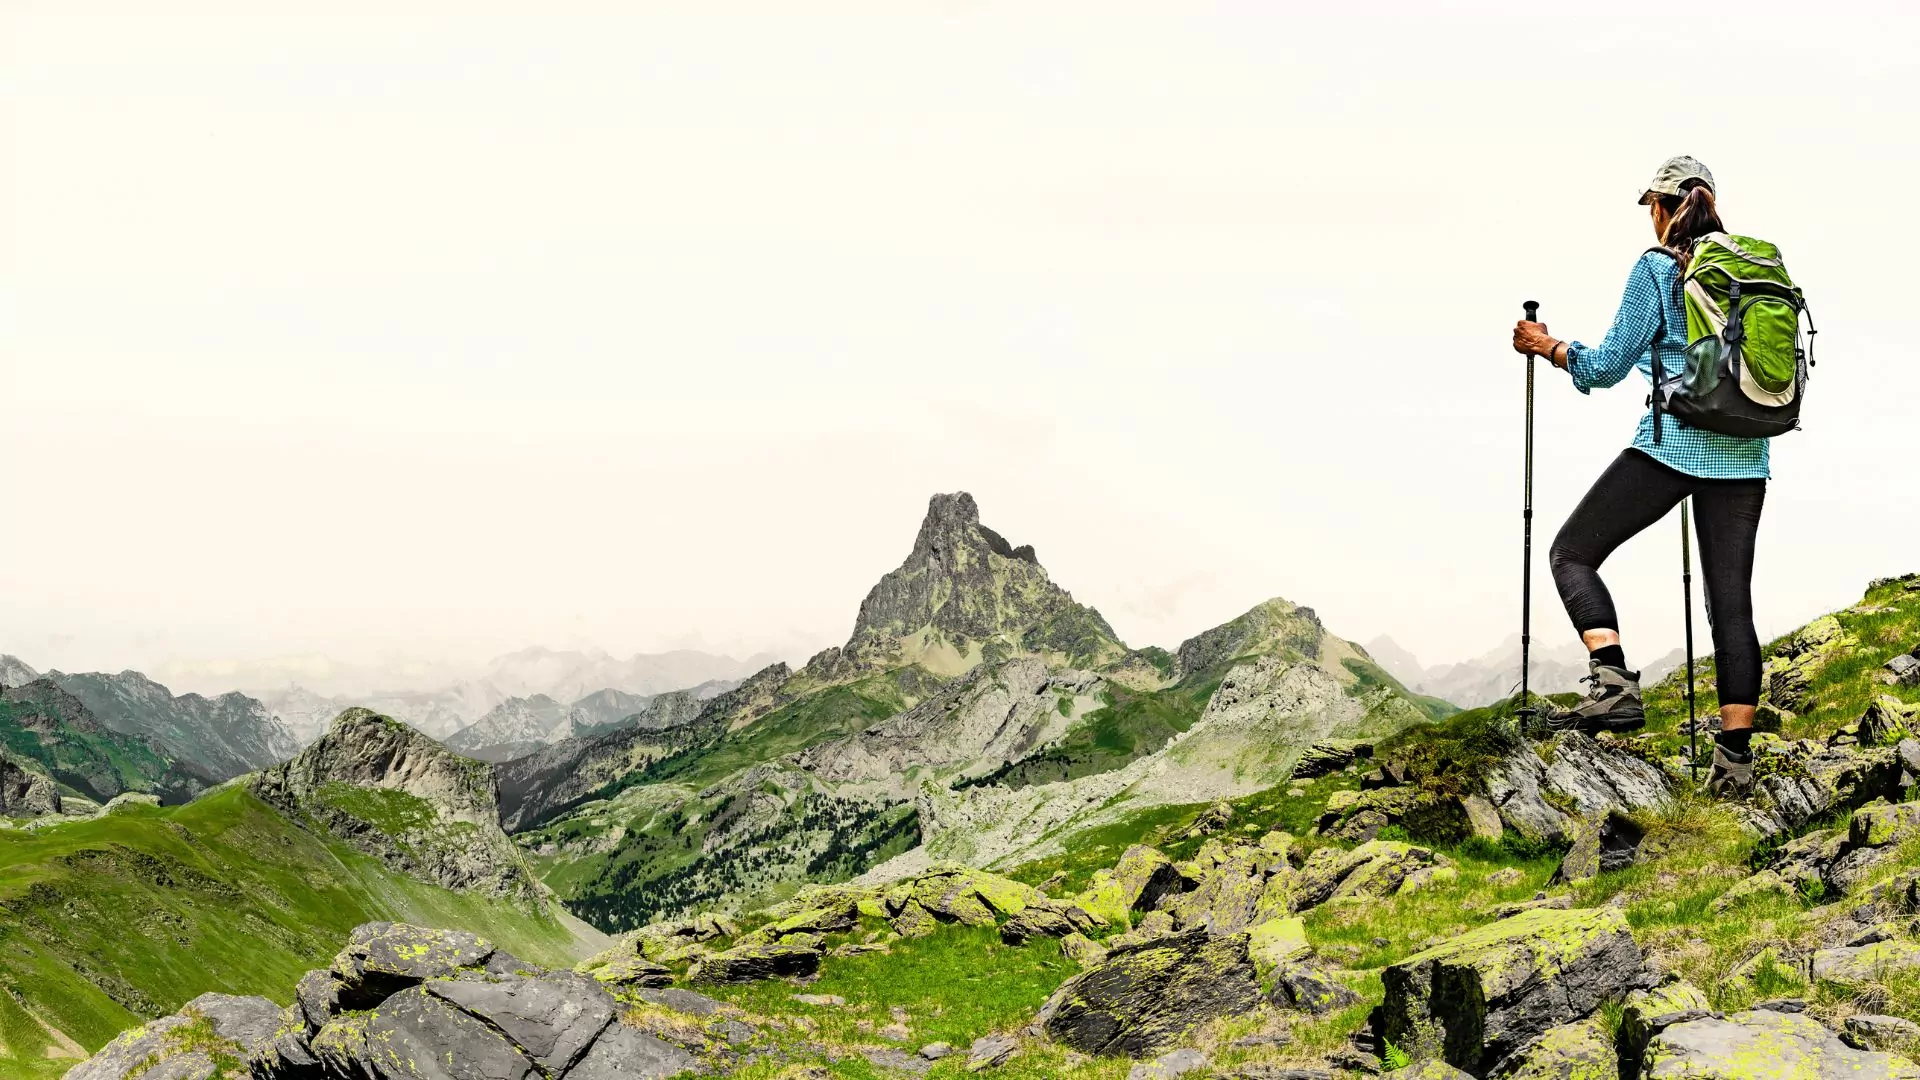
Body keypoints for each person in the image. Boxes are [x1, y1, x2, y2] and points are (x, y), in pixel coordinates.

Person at [1510, 156, 1766, 799]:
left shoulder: (1658, 268)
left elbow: (1607, 365)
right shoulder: (1750, 267)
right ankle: (1734, 763)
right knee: (1731, 604)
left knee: (1572, 552)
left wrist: (1548, 346)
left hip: (1674, 446)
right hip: (1746, 454)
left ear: (1663, 207)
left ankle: (1614, 684)